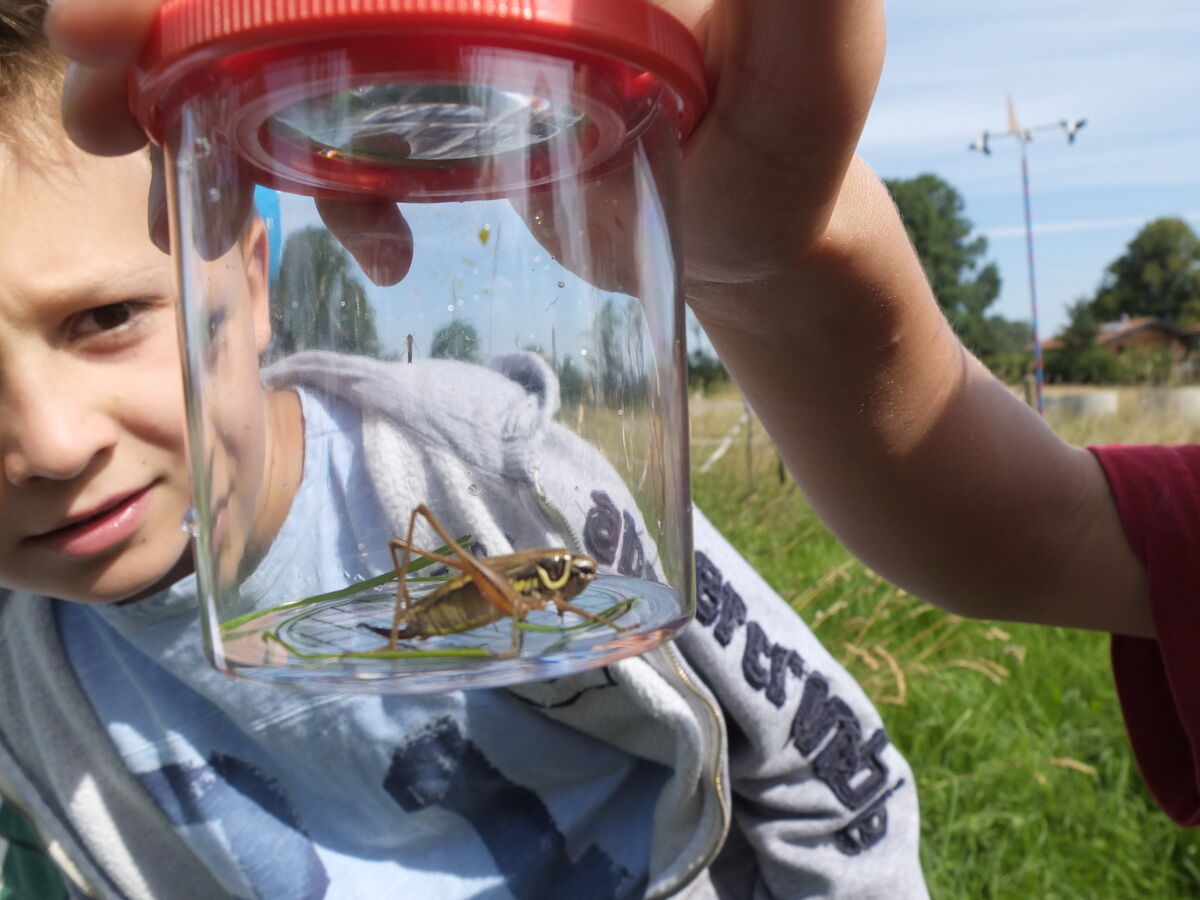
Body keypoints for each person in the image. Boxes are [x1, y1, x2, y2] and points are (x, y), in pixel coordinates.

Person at [0, 1, 928, 898]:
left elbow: (820, 760)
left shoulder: (490, 473)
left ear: (250, 283)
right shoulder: (24, 673)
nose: (48, 444)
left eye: (105, 317)